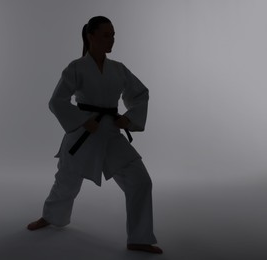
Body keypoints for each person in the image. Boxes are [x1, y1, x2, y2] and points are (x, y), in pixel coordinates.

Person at [27, 16, 163, 254]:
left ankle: (139, 237)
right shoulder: (76, 68)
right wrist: (82, 121)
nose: (111, 40)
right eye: (106, 35)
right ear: (90, 37)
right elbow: (57, 101)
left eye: (113, 35)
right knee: (66, 183)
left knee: (140, 180)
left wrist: (128, 119)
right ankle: (50, 217)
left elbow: (140, 94)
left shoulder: (118, 69)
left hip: (110, 133)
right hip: (83, 134)